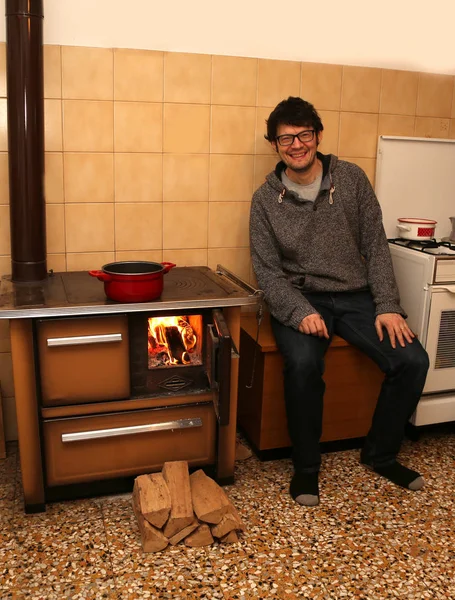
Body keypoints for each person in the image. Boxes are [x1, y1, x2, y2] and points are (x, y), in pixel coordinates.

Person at [249, 96, 430, 507]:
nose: (296, 145)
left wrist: (386, 304)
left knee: (413, 360)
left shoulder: (351, 179)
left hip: (355, 295)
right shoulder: (264, 200)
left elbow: (375, 245)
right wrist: (299, 311)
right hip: (300, 296)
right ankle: (306, 469)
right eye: (285, 139)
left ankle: (381, 453)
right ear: (275, 145)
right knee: (303, 365)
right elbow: (267, 272)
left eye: (303, 135)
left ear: (318, 136)